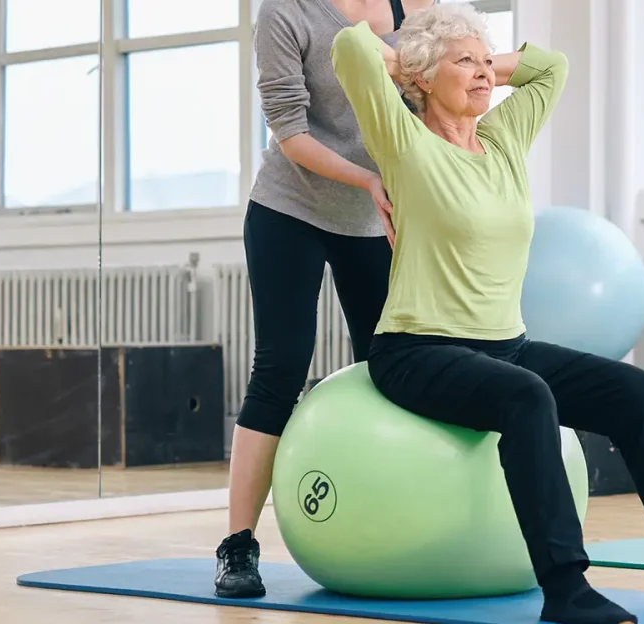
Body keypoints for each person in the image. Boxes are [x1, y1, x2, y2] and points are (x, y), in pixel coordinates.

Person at [329, 4, 644, 624]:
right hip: (416, 349)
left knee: (640, 394)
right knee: (527, 397)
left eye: (490, 63)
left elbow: (550, 68)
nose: (486, 75)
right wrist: (422, 56)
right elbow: (351, 50)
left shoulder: (505, 137)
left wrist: (474, 58)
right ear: (423, 78)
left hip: (506, 344)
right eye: (467, 64)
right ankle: (565, 588)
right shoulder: (402, 139)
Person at [215, 0, 435, 599]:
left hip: (377, 220)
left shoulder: (416, 7)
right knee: (281, 367)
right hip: (292, 210)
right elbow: (290, 132)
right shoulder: (285, 12)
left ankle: (397, 522)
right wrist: (367, 178)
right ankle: (238, 546)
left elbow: (433, 102)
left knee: (392, 367)